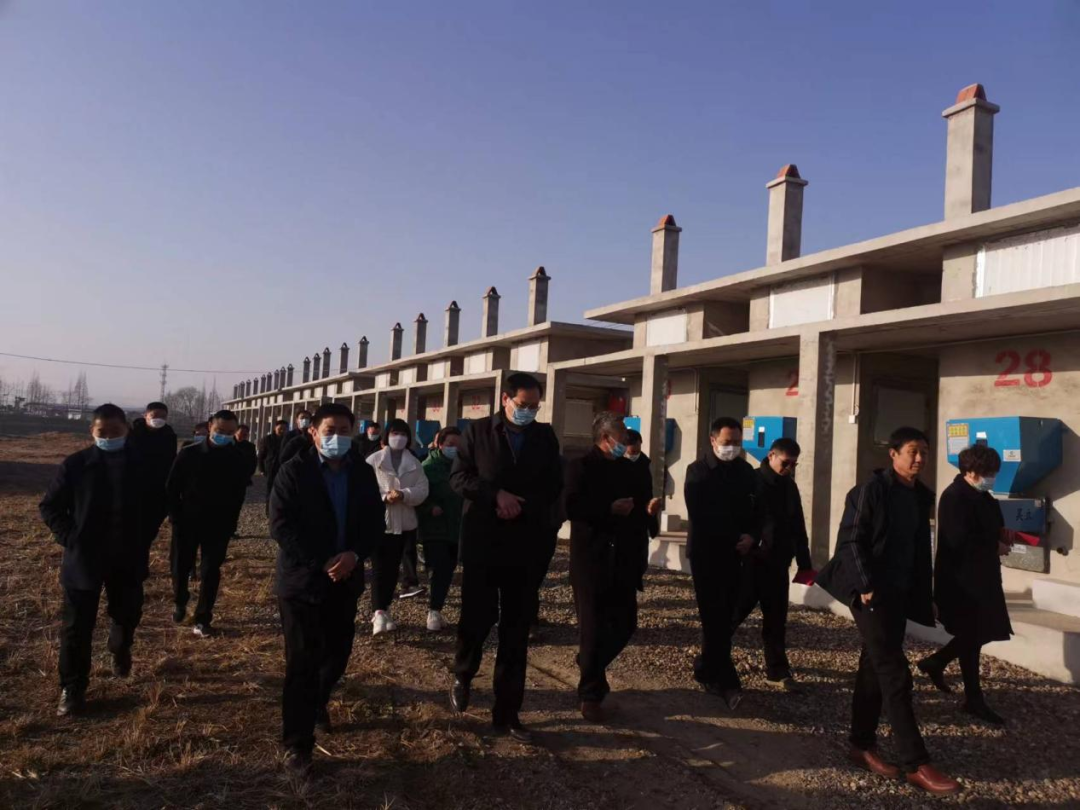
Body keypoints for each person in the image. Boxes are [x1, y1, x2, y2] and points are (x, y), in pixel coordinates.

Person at [816, 427, 961, 797]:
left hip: (898, 593)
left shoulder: (919, 497)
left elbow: (919, 553)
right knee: (895, 674)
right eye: (912, 451)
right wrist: (865, 584)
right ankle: (916, 763)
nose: (919, 459)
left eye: (924, 452)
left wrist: (925, 596)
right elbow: (851, 541)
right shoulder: (870, 491)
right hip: (869, 594)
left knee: (873, 667)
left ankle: (861, 745)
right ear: (893, 454)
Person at [269, 403, 384, 776]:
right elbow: (281, 526)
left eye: (344, 430)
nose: (337, 437)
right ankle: (297, 744)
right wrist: (322, 560)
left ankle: (318, 702)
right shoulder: (294, 471)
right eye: (330, 430)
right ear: (313, 433)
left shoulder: (362, 472)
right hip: (302, 583)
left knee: (337, 653)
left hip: (345, 580)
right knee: (301, 662)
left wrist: (354, 554)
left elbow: (374, 522)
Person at [449, 373, 563, 742]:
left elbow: (554, 484)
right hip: (484, 542)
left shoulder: (544, 437)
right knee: (477, 618)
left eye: (535, 406)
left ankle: (508, 712)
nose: (528, 412)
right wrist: (495, 495)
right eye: (523, 405)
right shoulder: (478, 432)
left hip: (525, 545)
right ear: (505, 400)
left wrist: (525, 507)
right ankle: (463, 673)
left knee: (516, 631)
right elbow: (459, 478)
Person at [39, 404, 153, 716]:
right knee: (76, 627)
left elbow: (158, 502)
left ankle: (120, 646)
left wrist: (144, 535)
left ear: (127, 430)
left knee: (127, 613)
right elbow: (50, 507)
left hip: (127, 556)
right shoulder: (76, 465)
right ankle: (72, 688)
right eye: (102, 432)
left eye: (115, 432)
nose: (109, 437)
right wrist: (71, 538)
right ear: (92, 432)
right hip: (85, 558)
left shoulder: (142, 465)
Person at [566, 413, 661, 722]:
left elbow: (638, 507)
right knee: (592, 628)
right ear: (606, 438)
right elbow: (570, 506)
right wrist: (607, 509)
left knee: (625, 624)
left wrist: (648, 513)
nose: (626, 442)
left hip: (623, 559)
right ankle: (590, 695)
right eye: (622, 437)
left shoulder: (627, 469)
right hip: (591, 560)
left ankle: (589, 664)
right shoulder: (580, 467)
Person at [917, 444, 1013, 726]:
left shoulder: (983, 496)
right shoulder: (954, 497)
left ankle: (940, 666)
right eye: (987, 473)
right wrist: (993, 546)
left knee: (981, 631)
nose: (991, 478)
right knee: (976, 631)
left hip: (984, 577)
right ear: (970, 471)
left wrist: (1003, 534)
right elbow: (959, 539)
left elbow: (991, 525)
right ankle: (971, 695)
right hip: (961, 580)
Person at [684, 416, 765, 711]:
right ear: (713, 440)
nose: (732, 447)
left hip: (736, 555)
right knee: (713, 616)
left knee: (726, 616)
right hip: (707, 555)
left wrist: (752, 536)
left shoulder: (746, 472)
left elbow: (757, 511)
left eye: (737, 442)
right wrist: (735, 536)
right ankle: (728, 683)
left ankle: (705, 668)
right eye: (727, 442)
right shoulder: (697, 472)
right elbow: (702, 514)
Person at [732, 437, 813, 690]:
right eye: (785, 463)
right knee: (734, 614)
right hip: (751, 562)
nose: (789, 468)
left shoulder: (789, 486)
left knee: (776, 620)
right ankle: (711, 660)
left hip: (778, 563)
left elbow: (798, 525)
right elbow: (739, 519)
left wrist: (805, 562)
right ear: (771, 456)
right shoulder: (751, 482)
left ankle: (777, 671)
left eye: (793, 465)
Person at [166, 409, 250, 637]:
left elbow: (238, 495)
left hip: (218, 524)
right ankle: (180, 600)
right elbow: (171, 488)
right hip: (187, 521)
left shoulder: (238, 458)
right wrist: (175, 516)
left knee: (211, 570)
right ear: (210, 426)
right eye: (220, 430)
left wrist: (232, 523)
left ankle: (203, 618)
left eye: (230, 432)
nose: (224, 436)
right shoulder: (189, 454)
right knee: (180, 566)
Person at [366, 418, 429, 634]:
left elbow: (422, 490)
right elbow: (363, 489)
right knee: (379, 569)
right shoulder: (374, 460)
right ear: (387, 436)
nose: (399, 438)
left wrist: (404, 494)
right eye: (394, 433)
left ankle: (385, 608)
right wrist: (385, 497)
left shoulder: (414, 463)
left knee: (393, 569)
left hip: (404, 524)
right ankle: (378, 612)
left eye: (403, 434)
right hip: (379, 523)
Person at [416, 426, 464, 632]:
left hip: (456, 528)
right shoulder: (428, 467)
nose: (454, 449)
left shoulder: (463, 466)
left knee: (448, 568)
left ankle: (437, 609)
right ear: (439, 444)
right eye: (450, 444)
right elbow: (418, 496)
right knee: (439, 568)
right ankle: (433, 611)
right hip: (434, 529)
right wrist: (430, 507)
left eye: (458, 445)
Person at [128, 401, 178, 553]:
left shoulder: (169, 436)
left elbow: (171, 462)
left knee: (148, 532)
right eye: (155, 415)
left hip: (158, 491)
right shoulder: (132, 434)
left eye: (163, 416)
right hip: (133, 489)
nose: (159, 419)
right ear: (146, 415)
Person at [258, 420, 289, 507]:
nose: (282, 430)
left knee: (283, 490)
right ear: (275, 428)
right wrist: (261, 469)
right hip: (271, 468)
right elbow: (261, 456)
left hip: (284, 469)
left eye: (285, 429)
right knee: (270, 491)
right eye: (280, 428)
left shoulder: (288, 439)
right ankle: (269, 509)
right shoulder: (267, 439)